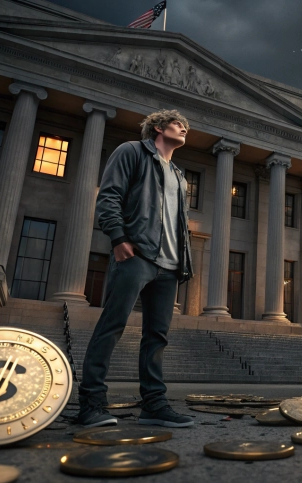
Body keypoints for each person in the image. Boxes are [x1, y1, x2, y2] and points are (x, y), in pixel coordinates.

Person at [77, 109, 194, 428]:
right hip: (137, 255)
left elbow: (177, 223)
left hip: (170, 266)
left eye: (186, 127)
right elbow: (110, 196)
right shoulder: (131, 151)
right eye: (177, 124)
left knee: (157, 336)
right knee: (112, 325)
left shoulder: (180, 176)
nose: (184, 128)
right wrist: (118, 236)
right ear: (157, 127)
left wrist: (184, 262)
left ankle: (154, 404)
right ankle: (91, 404)